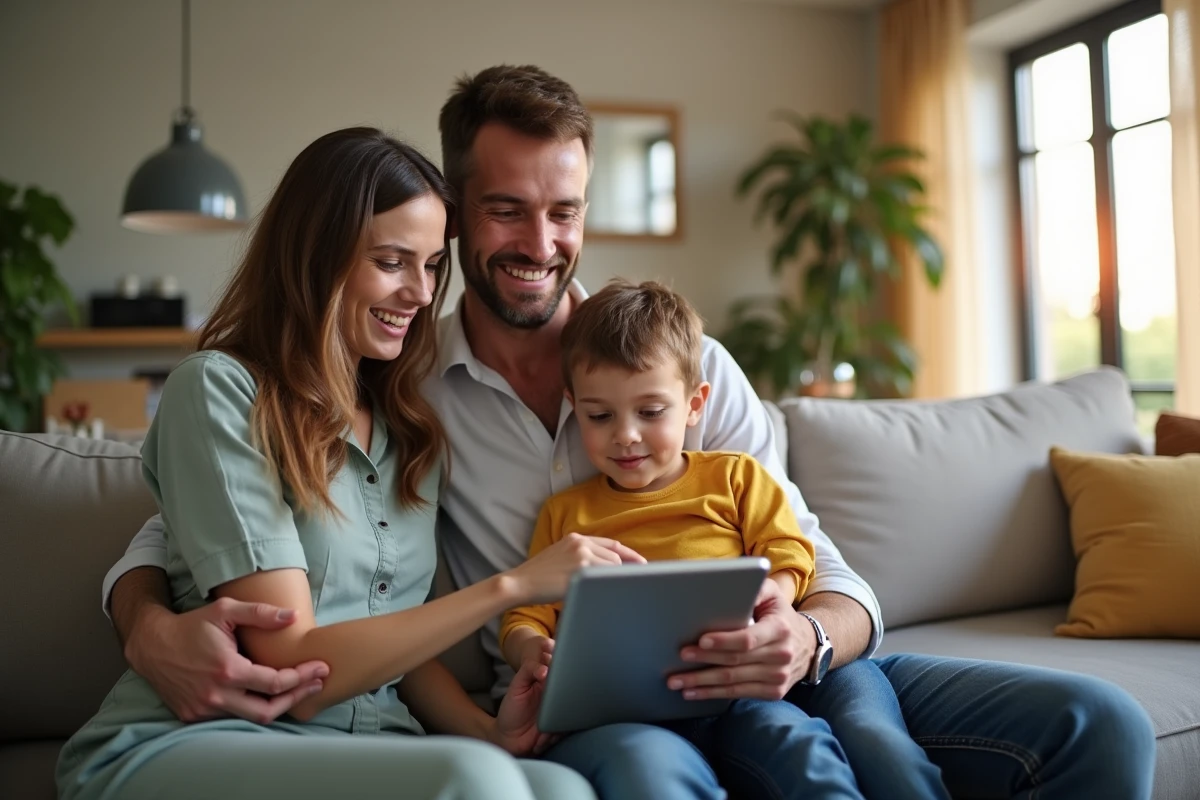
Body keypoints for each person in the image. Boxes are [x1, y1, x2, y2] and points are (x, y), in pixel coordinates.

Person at [103, 66, 1157, 800]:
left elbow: (822, 565)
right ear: (457, 215)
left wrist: (811, 634)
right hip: (603, 695)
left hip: (787, 661)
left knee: (1098, 723)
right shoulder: (398, 378)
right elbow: (226, 514)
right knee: (655, 774)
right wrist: (140, 614)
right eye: (507, 210)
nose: (540, 241)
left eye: (563, 211)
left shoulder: (682, 367)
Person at [56, 127, 628, 800]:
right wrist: (515, 586)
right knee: (474, 782)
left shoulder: (409, 426)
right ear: (318, 258)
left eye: (431, 265)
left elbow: (392, 639)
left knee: (559, 789)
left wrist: (487, 729)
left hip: (375, 746)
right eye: (392, 261)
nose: (420, 293)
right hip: (211, 741)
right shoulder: (219, 390)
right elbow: (289, 664)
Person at [500, 278, 952, 800]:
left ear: (695, 405)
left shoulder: (734, 478)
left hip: (743, 690)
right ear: (572, 404)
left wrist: (773, 604)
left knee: (797, 747)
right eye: (600, 416)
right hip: (626, 709)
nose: (626, 434)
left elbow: (790, 551)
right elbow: (525, 615)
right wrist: (532, 650)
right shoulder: (567, 513)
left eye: (651, 412)